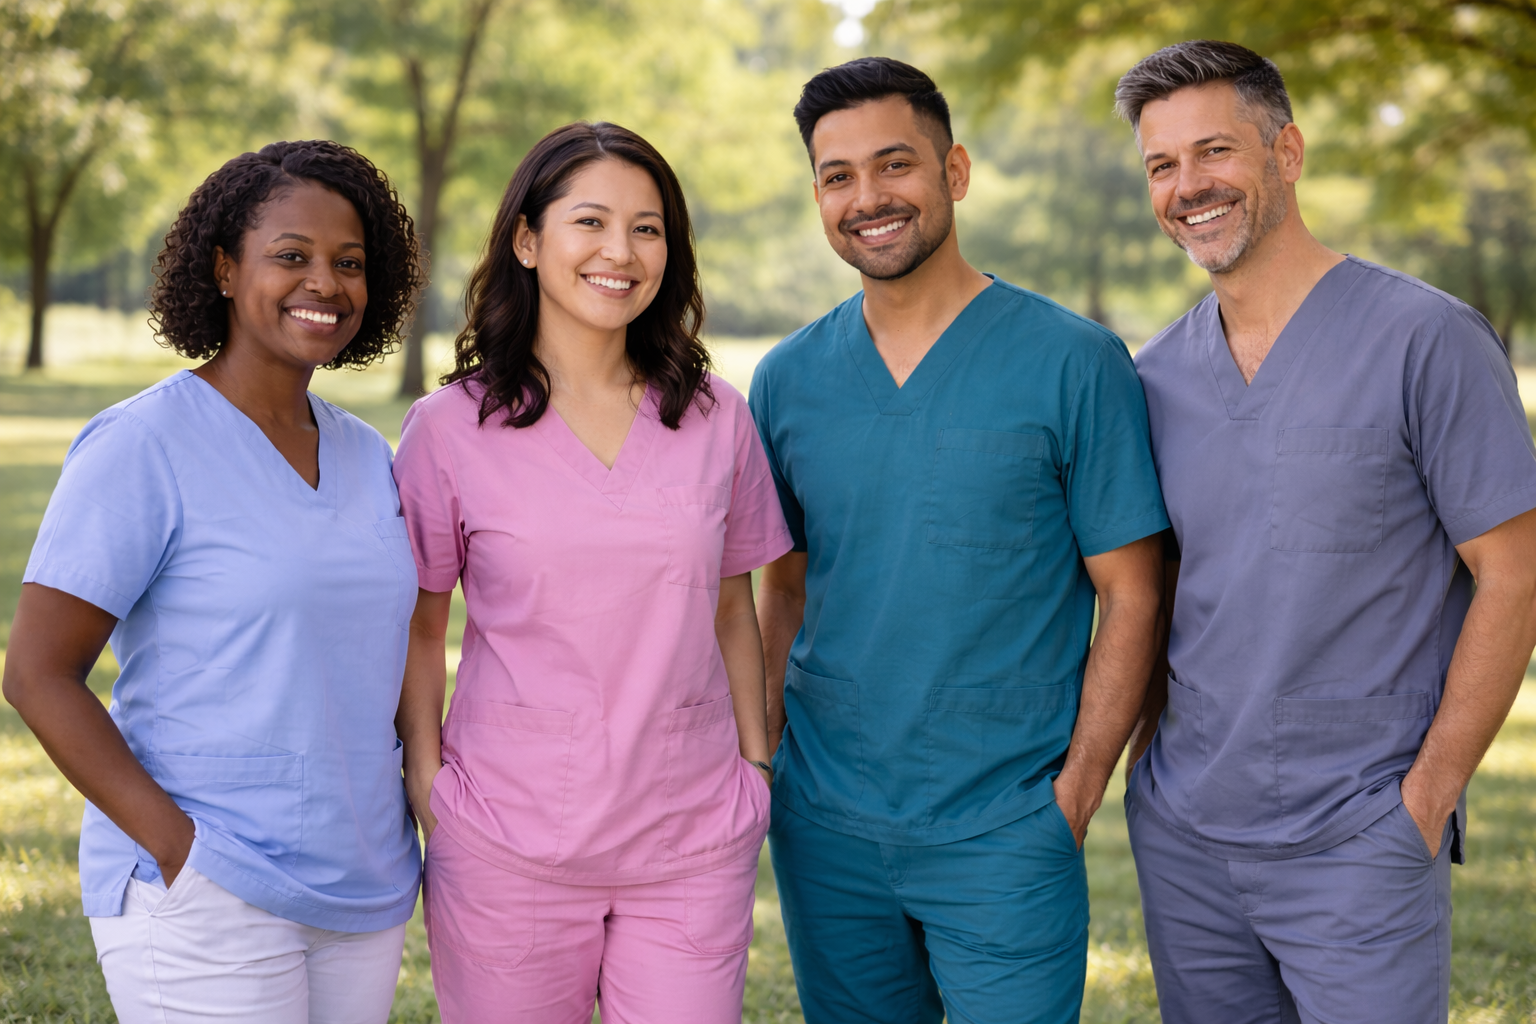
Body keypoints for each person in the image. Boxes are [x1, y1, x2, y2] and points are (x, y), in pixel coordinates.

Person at [1116, 40, 1536, 1024]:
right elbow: (1162, 585)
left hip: (1362, 836)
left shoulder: (1427, 340)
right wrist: (1144, 772)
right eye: (1161, 165)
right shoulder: (1155, 375)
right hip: (1187, 838)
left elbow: (1514, 575)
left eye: (1214, 151)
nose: (1188, 186)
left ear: (1287, 152)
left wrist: (1425, 798)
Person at [749, 58, 1168, 1024]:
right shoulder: (787, 381)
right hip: (826, 826)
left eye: (895, 165)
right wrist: (768, 759)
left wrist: (1072, 795)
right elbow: (785, 588)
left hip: (1006, 826)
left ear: (956, 172)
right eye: (837, 175)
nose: (868, 198)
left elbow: (1134, 593)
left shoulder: (1074, 362)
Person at [1, 140, 427, 1023]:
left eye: (350, 263)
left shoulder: (367, 455)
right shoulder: (141, 446)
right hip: (210, 885)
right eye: (291, 256)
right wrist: (177, 849)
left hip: (364, 886)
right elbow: (37, 673)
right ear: (226, 270)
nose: (326, 283)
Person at [392, 121, 792, 1024]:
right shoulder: (448, 429)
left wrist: (753, 770)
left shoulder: (716, 417)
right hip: (506, 837)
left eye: (648, 228)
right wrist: (430, 787)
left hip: (691, 836)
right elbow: (419, 625)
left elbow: (735, 608)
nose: (621, 251)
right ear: (528, 241)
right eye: (592, 222)